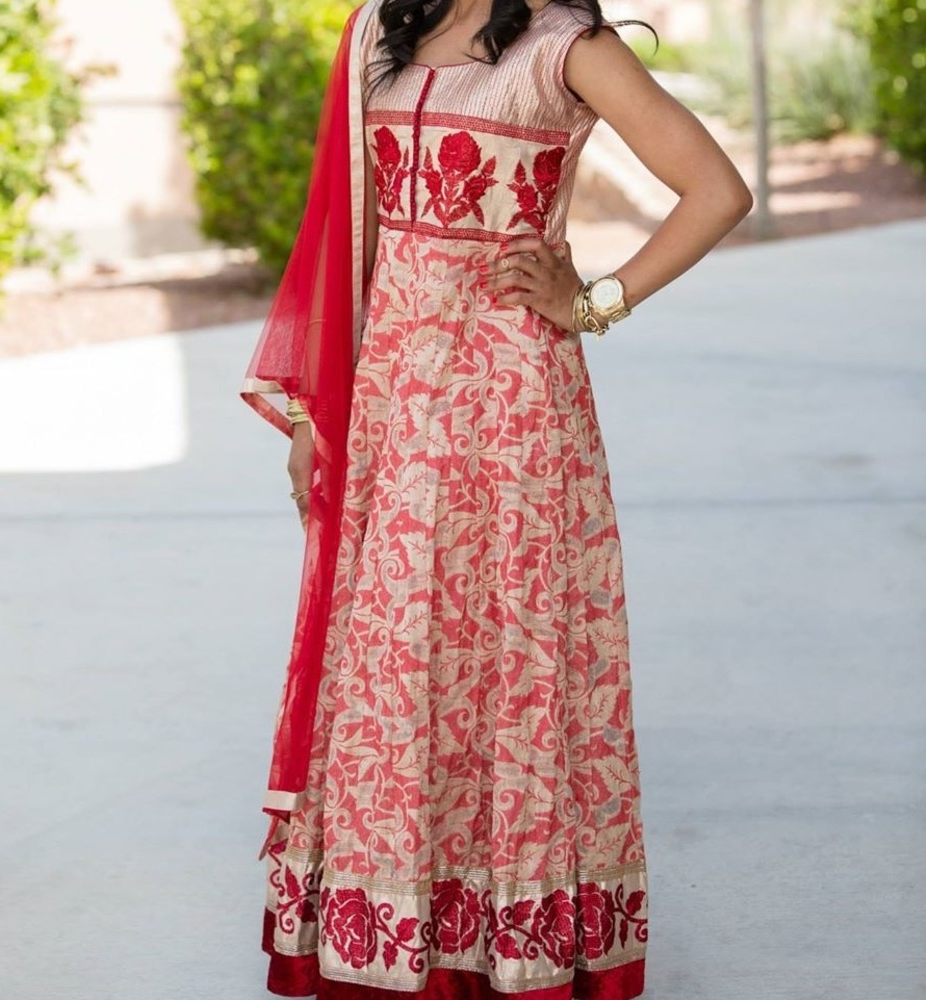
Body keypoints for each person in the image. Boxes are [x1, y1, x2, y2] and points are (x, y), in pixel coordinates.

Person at [241, 0, 752, 997]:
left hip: (510, 407)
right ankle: (398, 939)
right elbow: (361, 235)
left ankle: (507, 948)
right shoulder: (380, 31)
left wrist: (595, 298)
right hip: (390, 403)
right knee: (392, 664)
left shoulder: (564, 46)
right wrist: (317, 411)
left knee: (509, 667)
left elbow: (713, 189)